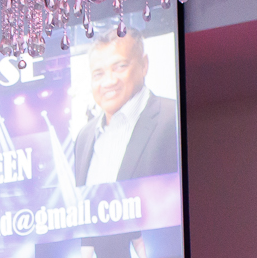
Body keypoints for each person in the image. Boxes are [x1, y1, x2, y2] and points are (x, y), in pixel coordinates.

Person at [70, 24, 180, 188]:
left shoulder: (174, 117)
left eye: (120, 67)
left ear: (144, 65)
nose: (109, 81)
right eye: (98, 74)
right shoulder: (84, 137)